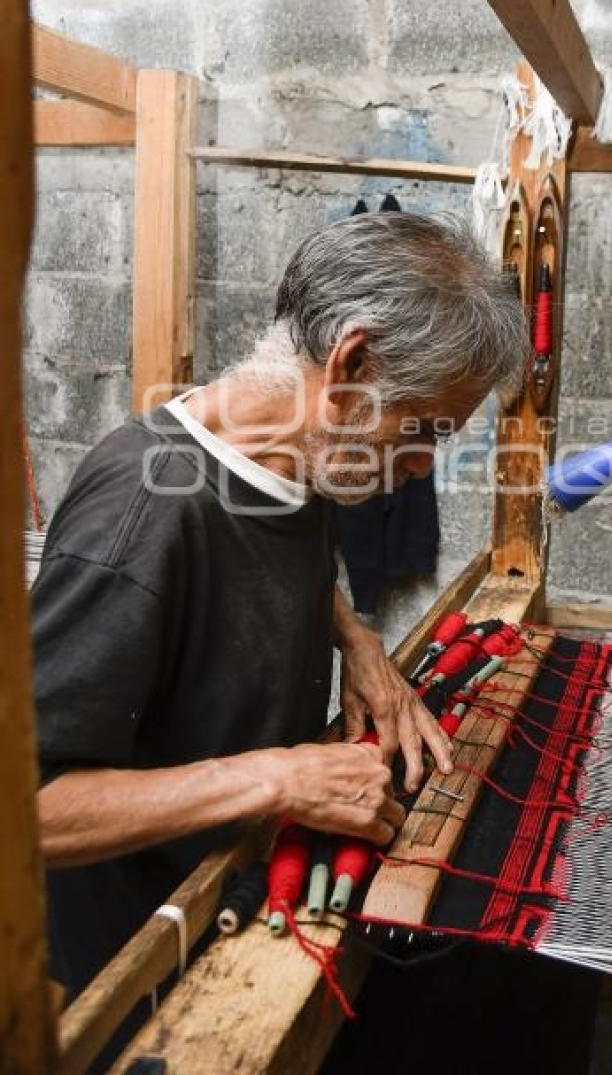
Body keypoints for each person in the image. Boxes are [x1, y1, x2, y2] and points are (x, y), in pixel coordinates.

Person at [32, 211, 528, 1001]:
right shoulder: (142, 515)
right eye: (426, 429)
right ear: (352, 364)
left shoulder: (297, 453)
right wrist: (278, 778)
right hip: (148, 965)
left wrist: (354, 635)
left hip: (257, 885)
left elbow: (263, 550)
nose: (423, 464)